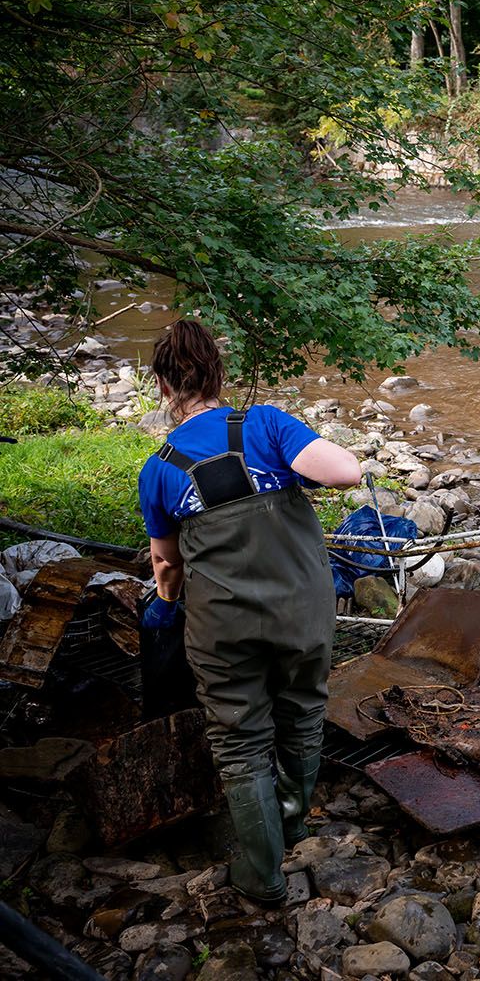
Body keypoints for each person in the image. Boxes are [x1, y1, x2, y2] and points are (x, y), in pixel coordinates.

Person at [136, 320, 360, 903]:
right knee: (304, 711)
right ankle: (291, 824)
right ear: (219, 374)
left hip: (223, 625)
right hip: (302, 613)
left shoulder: (159, 469)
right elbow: (346, 473)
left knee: (238, 741)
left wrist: (165, 606)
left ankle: (262, 879)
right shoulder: (265, 424)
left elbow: (166, 565)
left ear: (163, 386)